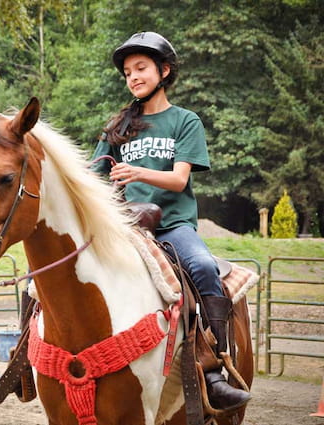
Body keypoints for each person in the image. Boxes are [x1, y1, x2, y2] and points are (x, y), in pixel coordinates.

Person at [91, 31, 251, 412]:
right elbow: (93, 174)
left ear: (163, 71)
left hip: (172, 225)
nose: (133, 77)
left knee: (202, 266)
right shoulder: (118, 125)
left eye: (141, 68)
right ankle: (23, 359)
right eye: (127, 72)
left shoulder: (185, 121)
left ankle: (214, 370)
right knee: (54, 268)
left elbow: (179, 179)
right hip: (123, 227)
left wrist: (139, 173)